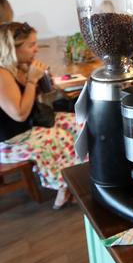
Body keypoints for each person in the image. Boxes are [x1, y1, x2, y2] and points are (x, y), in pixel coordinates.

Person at [0, 22, 83, 209]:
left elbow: (34, 102)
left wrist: (43, 81)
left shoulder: (19, 66)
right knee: (62, 137)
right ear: (12, 49)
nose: (36, 49)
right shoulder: (2, 74)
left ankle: (75, 178)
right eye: (31, 45)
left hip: (30, 126)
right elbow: (20, 114)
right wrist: (31, 80)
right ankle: (64, 186)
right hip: (13, 140)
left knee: (81, 123)